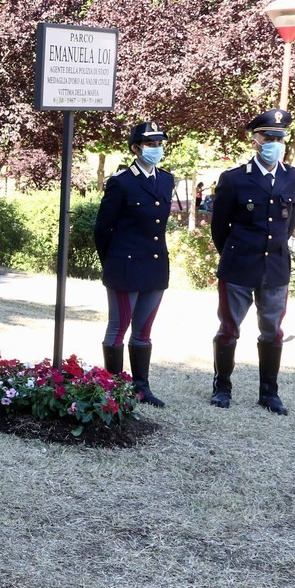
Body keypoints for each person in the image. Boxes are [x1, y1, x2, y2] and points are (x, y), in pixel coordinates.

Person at [209, 108, 295, 416]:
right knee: (229, 329)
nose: (274, 143)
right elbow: (219, 227)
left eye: (279, 137)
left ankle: (269, 393)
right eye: (268, 137)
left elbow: (288, 225)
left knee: (272, 331)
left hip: (275, 267)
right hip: (238, 265)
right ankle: (222, 387)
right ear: (255, 140)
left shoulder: (294, 177)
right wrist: (235, 252)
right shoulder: (234, 179)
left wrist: (273, 248)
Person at [93, 121, 174, 407]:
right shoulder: (121, 182)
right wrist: (113, 264)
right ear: (135, 148)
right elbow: (102, 230)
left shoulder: (166, 180)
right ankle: (113, 387)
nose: (156, 149)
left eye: (159, 144)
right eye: (150, 144)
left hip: (154, 267)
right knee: (119, 327)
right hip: (124, 267)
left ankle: (141, 387)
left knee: (144, 330)